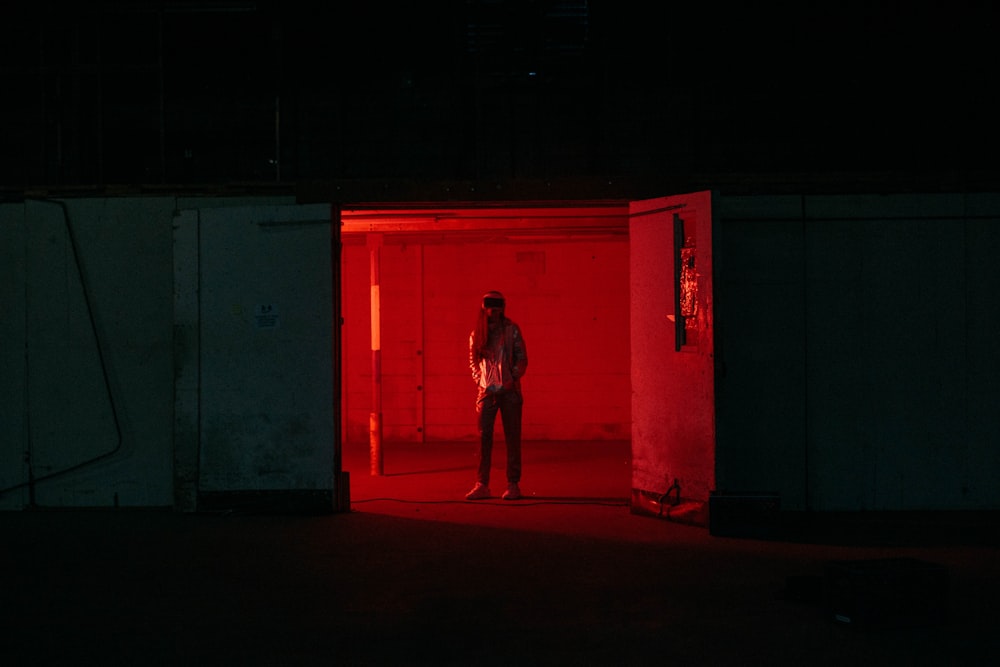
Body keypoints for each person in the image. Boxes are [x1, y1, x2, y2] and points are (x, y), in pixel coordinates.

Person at [465, 290, 528, 500]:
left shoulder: (512, 330)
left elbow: (522, 358)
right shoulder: (477, 334)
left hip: (509, 392)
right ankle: (482, 484)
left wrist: (512, 378)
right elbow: (473, 362)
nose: (493, 309)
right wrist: (481, 382)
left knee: (512, 438)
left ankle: (513, 484)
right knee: (484, 439)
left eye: (497, 305)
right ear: (484, 307)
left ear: (503, 307)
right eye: (490, 305)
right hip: (487, 393)